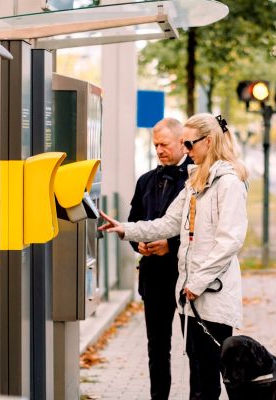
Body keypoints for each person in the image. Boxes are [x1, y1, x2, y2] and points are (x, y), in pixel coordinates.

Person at [100, 113, 248, 400]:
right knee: (195, 362)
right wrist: (125, 229)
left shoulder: (228, 182)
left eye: (189, 144)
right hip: (191, 292)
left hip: (209, 292)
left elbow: (229, 241)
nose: (186, 150)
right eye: (184, 144)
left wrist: (197, 282)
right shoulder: (195, 182)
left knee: (207, 373)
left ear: (209, 141)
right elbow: (167, 223)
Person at [128, 117, 193, 400]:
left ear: (182, 142)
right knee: (157, 347)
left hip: (185, 278)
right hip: (153, 278)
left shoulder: (196, 180)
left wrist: (171, 245)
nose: (159, 150)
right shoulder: (145, 181)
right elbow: (134, 222)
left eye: (164, 144)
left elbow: (202, 230)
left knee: (195, 349)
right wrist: (139, 245)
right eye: (156, 145)